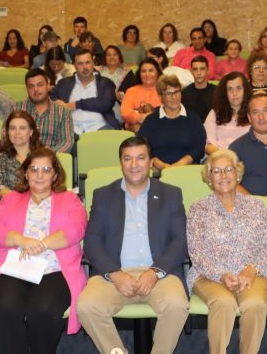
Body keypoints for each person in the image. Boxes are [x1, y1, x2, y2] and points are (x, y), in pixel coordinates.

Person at [76, 136, 189, 354]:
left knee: (176, 305)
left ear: (151, 162)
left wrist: (155, 272)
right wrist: (115, 274)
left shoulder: (171, 194)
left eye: (140, 158)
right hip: (115, 275)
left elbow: (180, 240)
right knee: (86, 306)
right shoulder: (103, 195)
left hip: (160, 275)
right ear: (121, 163)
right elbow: (92, 241)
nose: (134, 164)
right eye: (128, 159)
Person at [0, 148, 87, 354]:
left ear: (55, 175)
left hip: (55, 269)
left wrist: (43, 244)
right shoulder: (11, 199)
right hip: (14, 268)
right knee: (4, 305)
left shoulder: (70, 200)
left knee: (43, 308)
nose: (40, 175)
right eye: (34, 169)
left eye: (46, 170)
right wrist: (21, 240)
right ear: (26, 173)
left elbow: (77, 228)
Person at [187, 149, 267, 354]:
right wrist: (221, 275)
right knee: (223, 302)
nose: (223, 175)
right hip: (209, 275)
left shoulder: (256, 206)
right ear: (209, 178)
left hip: (252, 273)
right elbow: (197, 253)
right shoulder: (198, 209)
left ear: (238, 174)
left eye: (228, 169)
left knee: (254, 303)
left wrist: (252, 270)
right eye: (216, 171)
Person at [138, 75, 206, 172]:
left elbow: (199, 148)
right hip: (157, 170)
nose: (174, 97)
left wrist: (178, 166)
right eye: (169, 93)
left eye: (177, 92)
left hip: (188, 169)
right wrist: (162, 166)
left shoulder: (193, 119)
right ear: (160, 97)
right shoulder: (150, 120)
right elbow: (142, 147)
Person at [52, 49, 118, 134]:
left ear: (93, 63)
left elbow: (106, 103)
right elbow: (50, 97)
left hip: (100, 128)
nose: (85, 67)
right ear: (74, 65)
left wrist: (75, 105)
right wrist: (56, 102)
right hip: (71, 130)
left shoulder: (105, 83)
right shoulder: (64, 83)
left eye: (88, 62)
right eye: (80, 63)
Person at [14, 69, 74, 153]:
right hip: (20, 157)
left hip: (50, 158)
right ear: (26, 89)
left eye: (40, 85)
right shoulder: (16, 109)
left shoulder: (62, 112)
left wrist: (44, 156)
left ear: (48, 85)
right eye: (31, 86)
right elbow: (6, 136)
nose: (36, 89)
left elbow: (67, 143)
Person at [0, 111, 42, 199]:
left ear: (31, 132)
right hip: (11, 203)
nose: (17, 132)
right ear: (8, 132)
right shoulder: (1, 158)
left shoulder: (43, 157)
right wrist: (19, 200)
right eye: (12, 128)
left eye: (22, 128)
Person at [204, 71, 253, 155]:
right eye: (230, 89)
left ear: (245, 91)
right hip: (220, 158)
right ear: (225, 93)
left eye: (238, 88)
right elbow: (209, 146)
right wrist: (225, 158)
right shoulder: (214, 114)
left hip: (247, 158)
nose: (234, 93)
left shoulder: (253, 113)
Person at [120, 58, 162, 132]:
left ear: (158, 72)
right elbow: (125, 112)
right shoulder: (131, 91)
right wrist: (140, 117)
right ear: (139, 74)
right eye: (143, 71)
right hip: (135, 131)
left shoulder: (165, 90)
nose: (147, 74)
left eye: (151, 71)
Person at [98, 45, 138, 121]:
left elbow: (134, 93)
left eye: (114, 54)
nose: (112, 57)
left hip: (119, 106)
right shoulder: (97, 71)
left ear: (119, 57)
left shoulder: (127, 73)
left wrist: (120, 95)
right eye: (108, 55)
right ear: (105, 58)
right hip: (98, 104)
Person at [182, 55, 215, 122]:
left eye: (202, 69)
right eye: (195, 69)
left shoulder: (217, 92)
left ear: (208, 70)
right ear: (191, 71)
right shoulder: (184, 93)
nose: (199, 73)